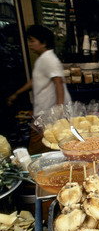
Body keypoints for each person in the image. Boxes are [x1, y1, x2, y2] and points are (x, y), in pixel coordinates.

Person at [7, 25, 71, 155]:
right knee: (47, 146)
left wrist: (59, 108)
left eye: (32, 40)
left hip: (48, 112)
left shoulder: (49, 59)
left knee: (37, 148)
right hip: (44, 111)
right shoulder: (42, 60)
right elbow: (35, 80)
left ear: (44, 42)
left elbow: (58, 82)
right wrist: (17, 93)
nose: (29, 44)